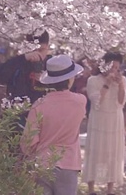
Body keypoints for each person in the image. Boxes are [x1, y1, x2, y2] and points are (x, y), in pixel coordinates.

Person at [20, 54, 86, 195]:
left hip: (43, 163)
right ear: (69, 78)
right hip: (69, 162)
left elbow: (27, 141)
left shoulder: (39, 105)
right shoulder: (80, 102)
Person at [82, 52, 126, 195]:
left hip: (115, 120)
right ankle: (91, 188)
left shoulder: (123, 80)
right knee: (95, 151)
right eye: (112, 67)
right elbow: (96, 102)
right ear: (104, 66)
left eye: (117, 68)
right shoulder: (93, 80)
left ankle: (110, 189)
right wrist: (107, 84)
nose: (114, 70)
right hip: (99, 120)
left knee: (113, 153)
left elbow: (121, 102)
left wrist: (120, 86)